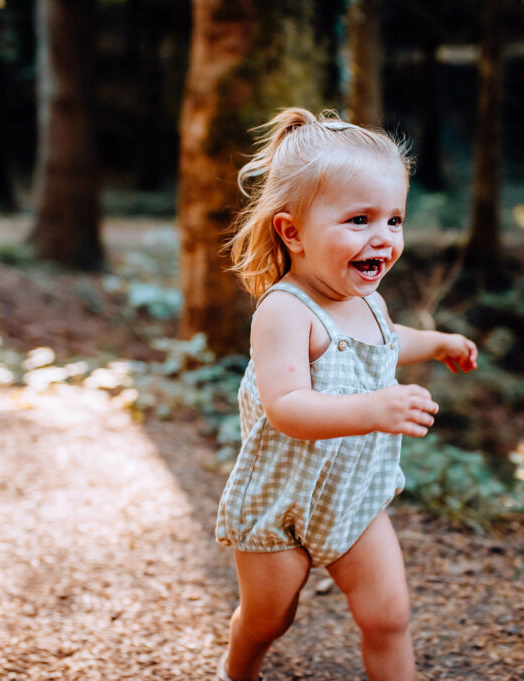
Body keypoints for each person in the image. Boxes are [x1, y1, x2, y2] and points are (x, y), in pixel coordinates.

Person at [214, 108, 478, 681]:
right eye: (359, 219)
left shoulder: (368, 302)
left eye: (394, 220)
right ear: (292, 232)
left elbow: (384, 342)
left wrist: (437, 343)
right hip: (280, 499)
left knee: (389, 615)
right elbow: (287, 407)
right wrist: (374, 409)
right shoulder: (285, 311)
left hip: (352, 495)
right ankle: (236, 671)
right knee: (268, 619)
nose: (383, 237)